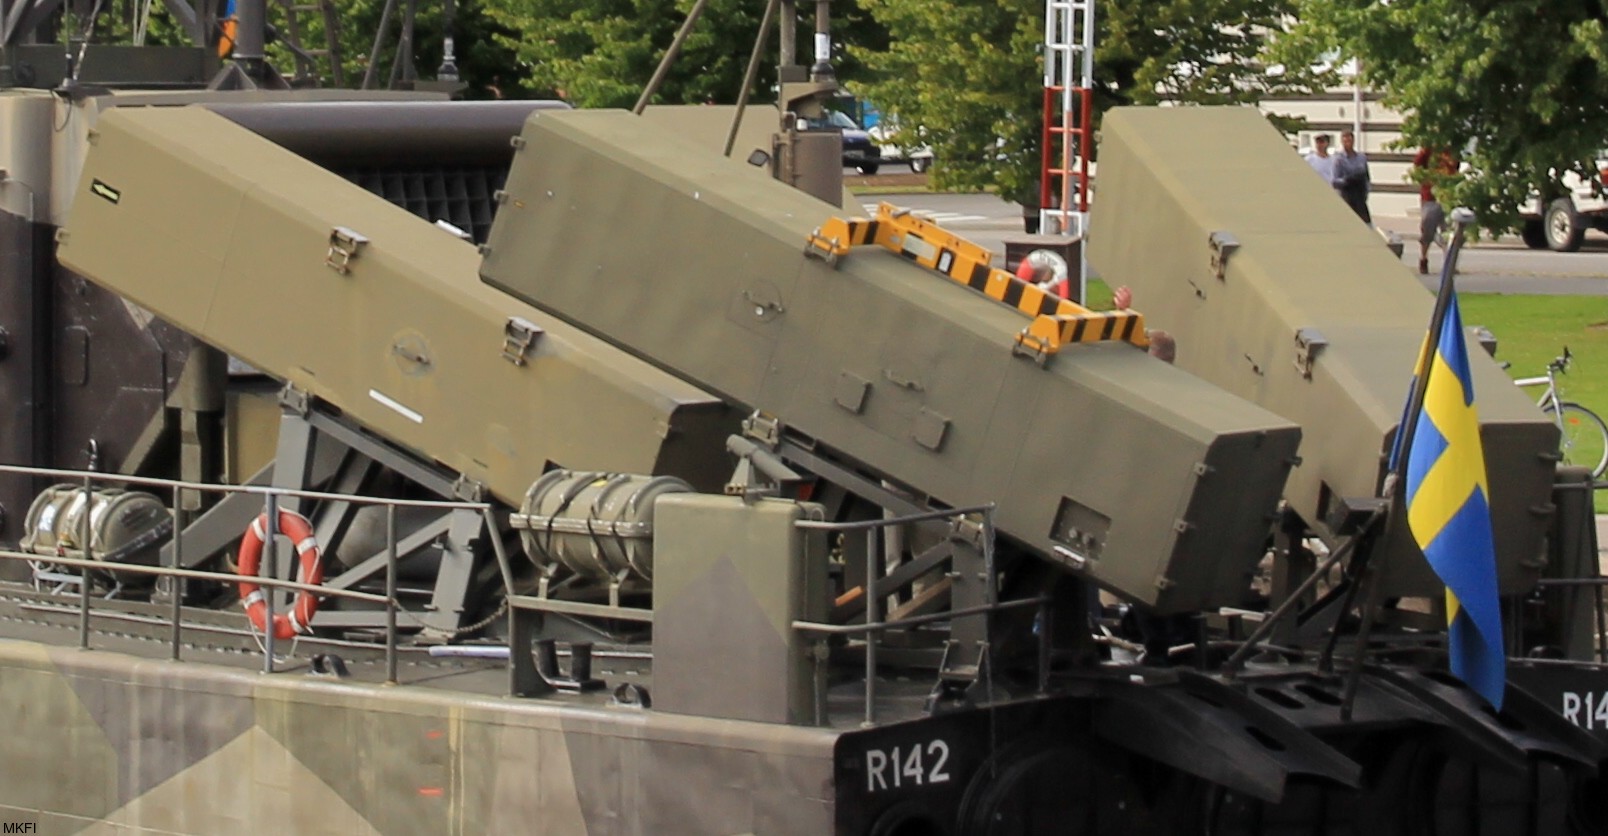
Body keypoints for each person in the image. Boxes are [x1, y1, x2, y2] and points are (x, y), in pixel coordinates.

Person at [1412, 146, 1458, 274]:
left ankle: (1449, 263)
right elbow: (1417, 165)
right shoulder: (1429, 150)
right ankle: (1423, 258)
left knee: (1448, 231)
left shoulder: (1452, 150)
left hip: (1447, 196)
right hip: (1430, 197)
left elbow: (1455, 168)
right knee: (1427, 230)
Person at [1332, 130, 1371, 224]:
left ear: (1353, 141)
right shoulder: (1339, 159)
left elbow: (1367, 177)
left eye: (1349, 141)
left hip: (1360, 195)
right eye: (1345, 141)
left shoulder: (1361, 157)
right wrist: (1347, 180)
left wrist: (1367, 192)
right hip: (1347, 195)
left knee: (1365, 223)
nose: (1347, 144)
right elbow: (1335, 181)